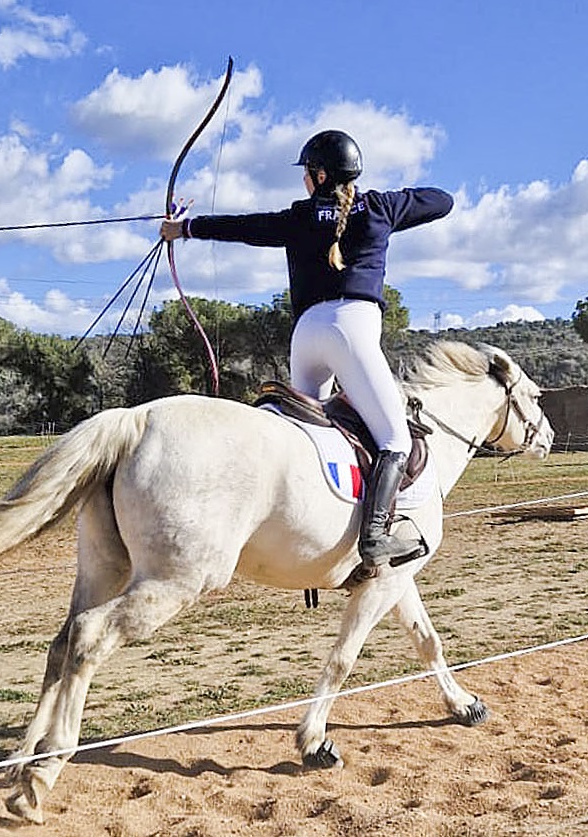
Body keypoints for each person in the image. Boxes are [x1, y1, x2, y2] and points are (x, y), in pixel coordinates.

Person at [161, 129, 454, 574]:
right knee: (394, 439)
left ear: (318, 175)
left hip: (306, 335)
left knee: (305, 439)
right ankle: (373, 539)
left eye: (307, 174)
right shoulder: (380, 207)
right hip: (352, 330)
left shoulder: (298, 217)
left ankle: (303, 529)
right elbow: (442, 200)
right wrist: (387, 201)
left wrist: (185, 229)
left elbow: (246, 227)